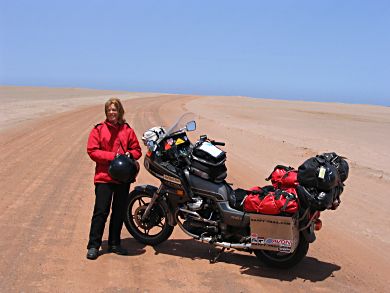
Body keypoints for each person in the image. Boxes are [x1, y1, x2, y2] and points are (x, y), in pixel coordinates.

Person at [86, 97, 142, 260]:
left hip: (123, 178)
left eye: (114, 110)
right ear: (106, 112)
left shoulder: (127, 130)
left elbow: (137, 149)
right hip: (104, 177)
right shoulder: (98, 129)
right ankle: (93, 245)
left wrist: (129, 155)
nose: (112, 112)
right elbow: (92, 150)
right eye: (109, 110)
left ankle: (114, 243)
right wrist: (113, 157)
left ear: (120, 112)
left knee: (119, 212)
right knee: (101, 211)